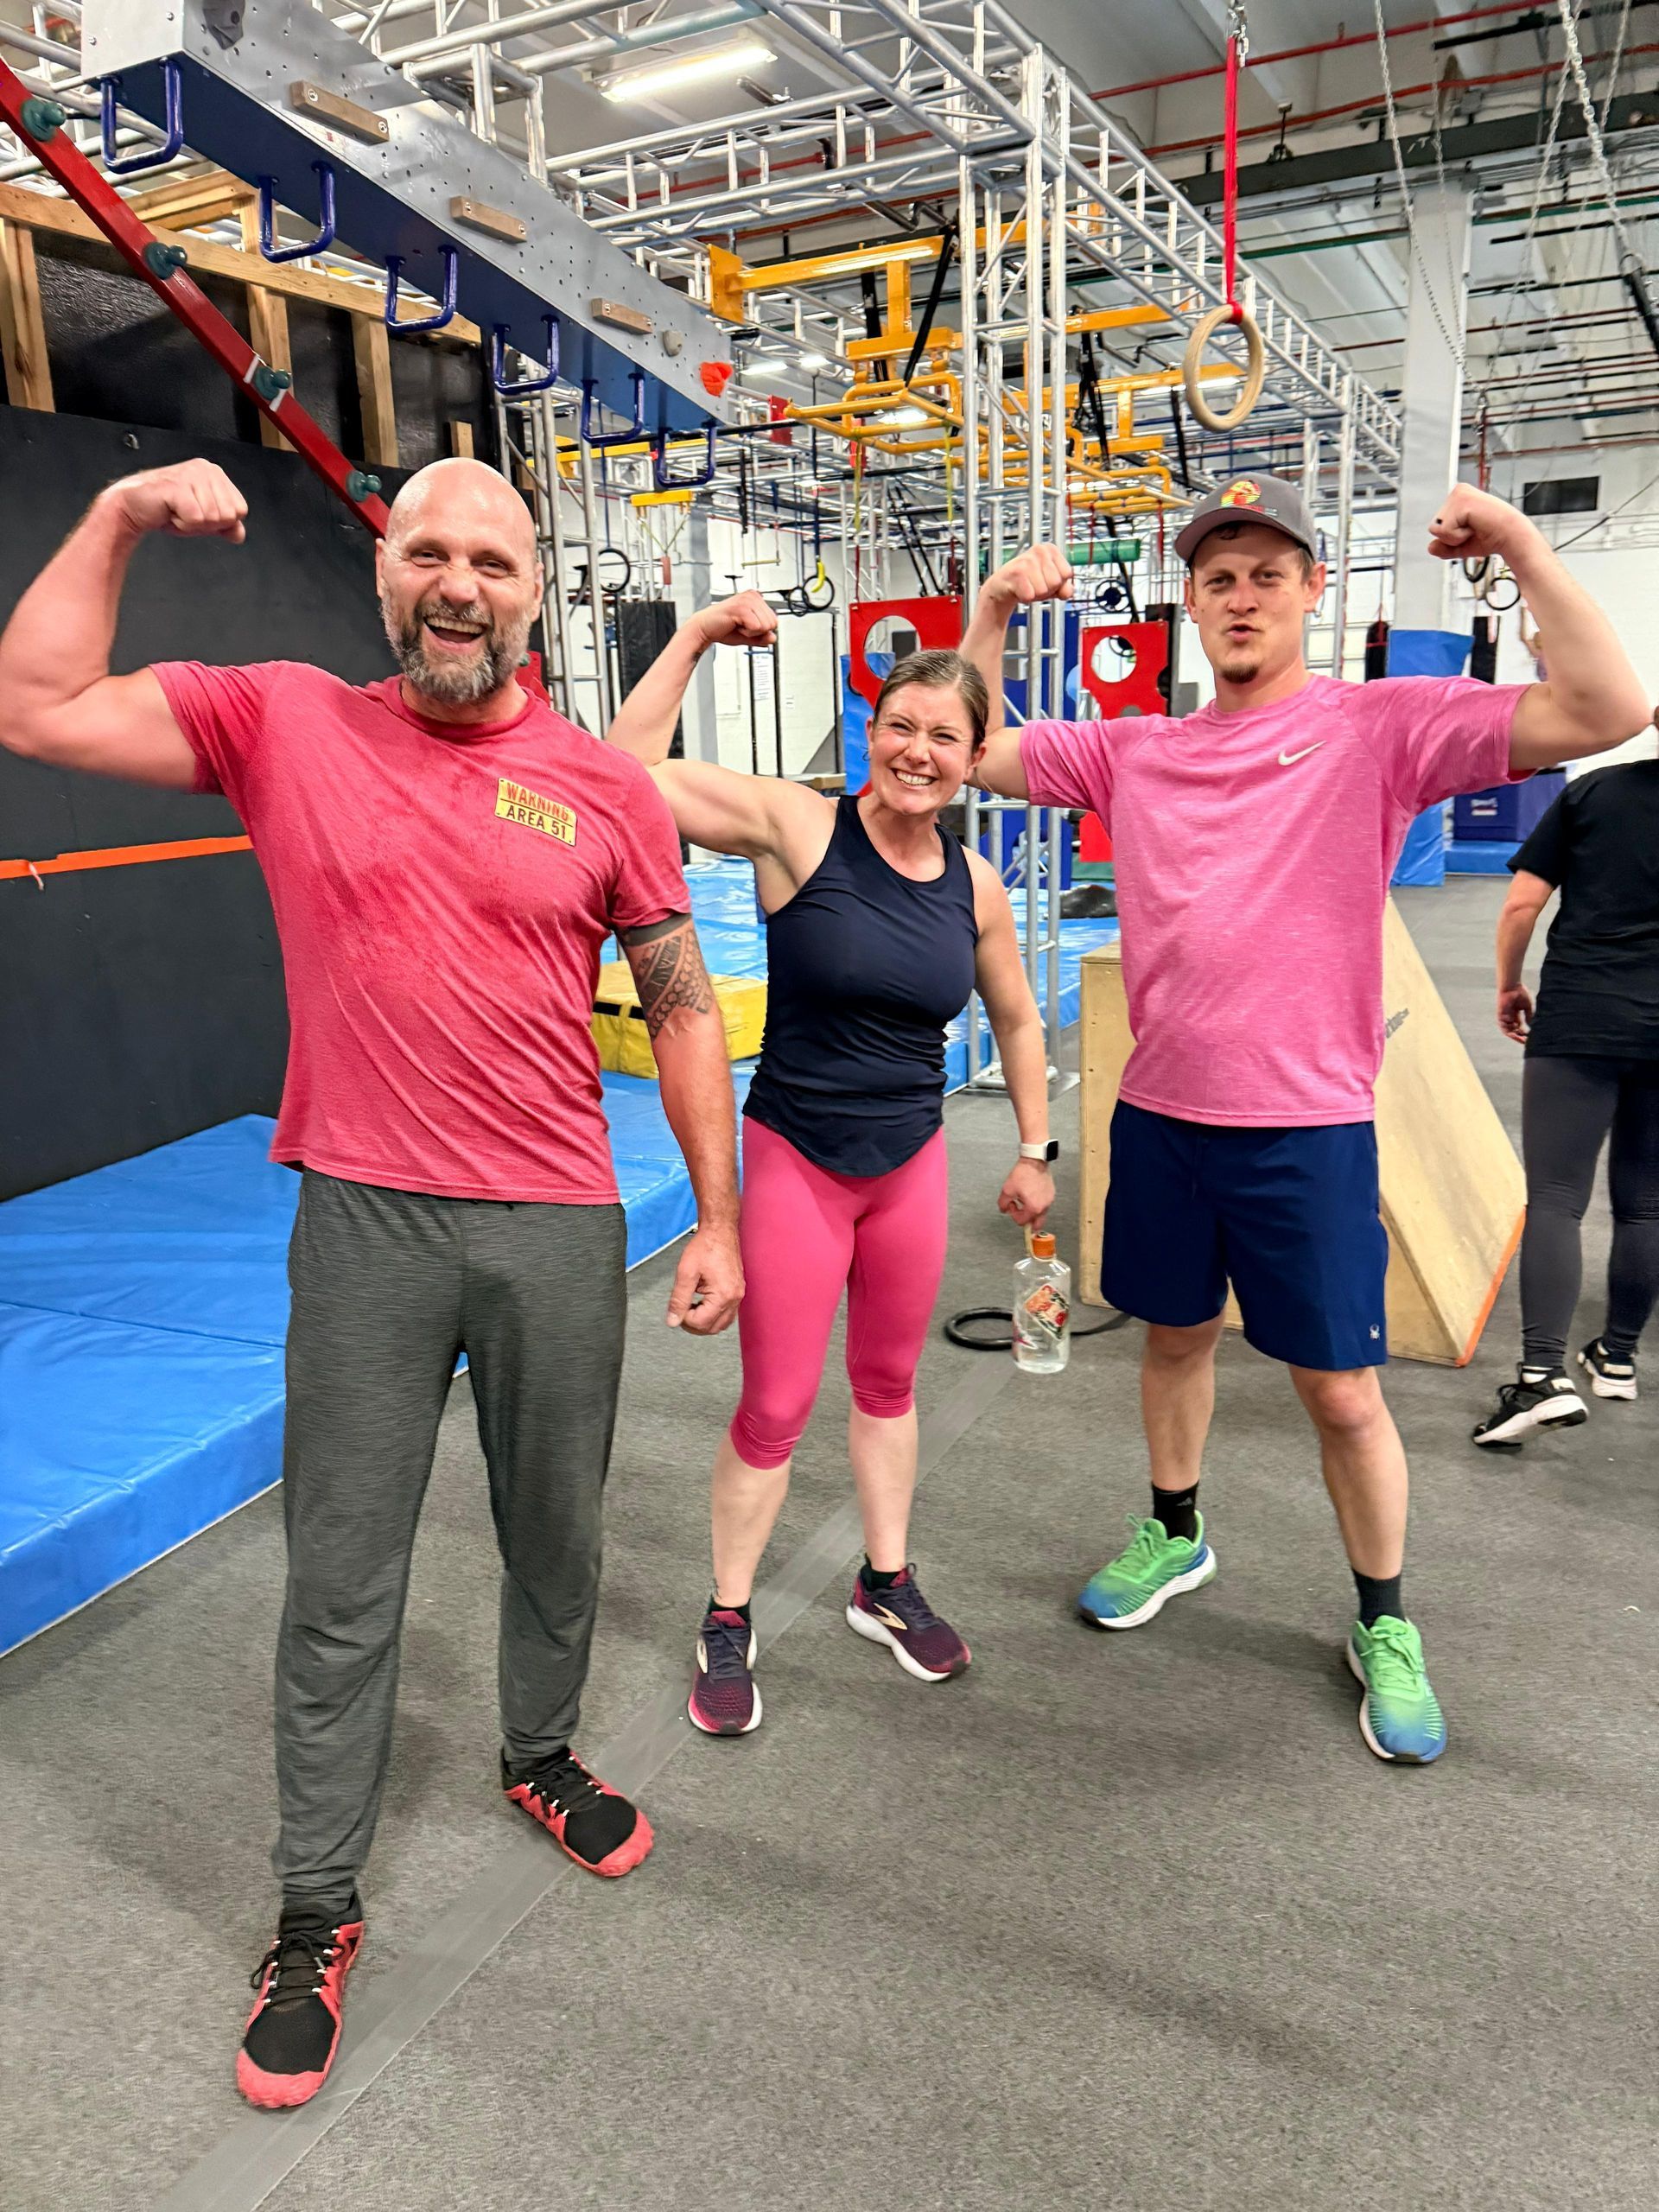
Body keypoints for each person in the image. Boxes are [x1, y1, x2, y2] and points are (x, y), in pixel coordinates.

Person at [0, 456, 746, 2108]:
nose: (458, 582)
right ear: (386, 571)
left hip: (558, 1222)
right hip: (364, 1227)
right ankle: (315, 1908)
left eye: (493, 558)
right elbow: (35, 705)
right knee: (342, 1580)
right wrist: (116, 516)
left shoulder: (603, 788)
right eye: (428, 550)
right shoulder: (286, 723)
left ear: (535, 591)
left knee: (557, 1534)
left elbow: (682, 1000)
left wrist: (718, 1214)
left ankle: (540, 1754)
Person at [963, 474, 1649, 1764]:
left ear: (1313, 590)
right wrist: (994, 610)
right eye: (1218, 578)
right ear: (1190, 601)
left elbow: (1610, 709)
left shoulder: (1378, 727)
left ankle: (1383, 1618)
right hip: (1160, 1116)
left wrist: (1516, 541)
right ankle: (1177, 1531)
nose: (1242, 598)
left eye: (1267, 575)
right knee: (1173, 1341)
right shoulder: (1134, 749)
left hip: (1306, 1128)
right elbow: (969, 745)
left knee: (1340, 1392)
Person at [607, 624, 1056, 1736]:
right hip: (798, 1159)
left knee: (890, 1386)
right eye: (899, 725)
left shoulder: (976, 885)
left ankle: (884, 1581)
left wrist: (1035, 1146)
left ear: (974, 759)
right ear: (872, 731)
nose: (917, 751)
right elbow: (622, 772)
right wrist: (696, 635)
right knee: (774, 1406)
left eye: (943, 737)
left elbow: (1015, 1015)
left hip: (910, 1165)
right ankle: (727, 1613)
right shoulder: (797, 827)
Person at [1472, 744, 1659, 1446]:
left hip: (1584, 1012)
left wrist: (1508, 983)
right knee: (1646, 1204)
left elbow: (1523, 903)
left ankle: (1542, 1375)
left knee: (1556, 1198)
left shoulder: (1594, 792)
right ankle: (1617, 1357)